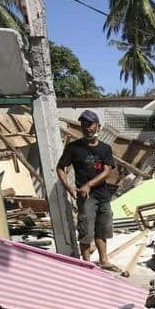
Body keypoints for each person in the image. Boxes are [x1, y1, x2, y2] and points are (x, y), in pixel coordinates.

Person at [56, 110, 120, 271]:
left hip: (103, 195)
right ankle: (86, 264)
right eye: (84, 124)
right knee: (86, 230)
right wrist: (68, 186)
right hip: (86, 198)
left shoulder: (105, 148)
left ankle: (104, 260)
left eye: (90, 124)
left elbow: (107, 172)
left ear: (98, 126)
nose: (87, 128)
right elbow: (60, 167)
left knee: (102, 229)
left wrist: (89, 184)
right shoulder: (74, 148)